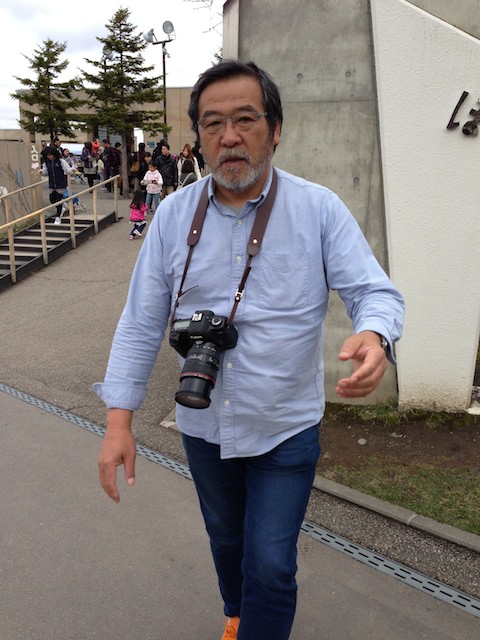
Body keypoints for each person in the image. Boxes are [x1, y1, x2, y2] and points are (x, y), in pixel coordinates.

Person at [94, 60, 404, 640]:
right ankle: (238, 615)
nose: (229, 136)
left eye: (245, 119)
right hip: (203, 426)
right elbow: (139, 323)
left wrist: (375, 334)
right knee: (226, 539)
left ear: (275, 128)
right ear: (199, 137)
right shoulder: (173, 217)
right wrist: (118, 422)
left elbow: (373, 291)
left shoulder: (317, 209)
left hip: (285, 425)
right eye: (213, 123)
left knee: (271, 562)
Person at [41, 145, 76, 224]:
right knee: (52, 199)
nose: (49, 157)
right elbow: (46, 172)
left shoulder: (60, 161)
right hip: (52, 184)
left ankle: (58, 217)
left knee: (58, 200)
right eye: (47, 155)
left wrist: (72, 170)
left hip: (60, 183)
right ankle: (61, 208)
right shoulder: (47, 163)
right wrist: (41, 172)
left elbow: (67, 169)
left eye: (50, 155)